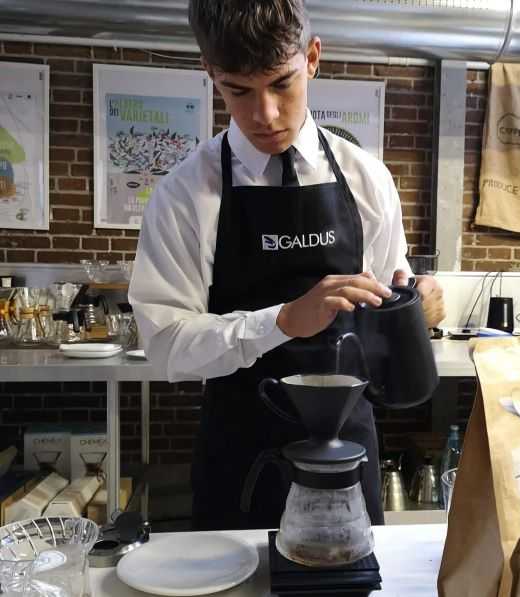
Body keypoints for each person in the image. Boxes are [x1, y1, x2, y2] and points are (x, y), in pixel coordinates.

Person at [129, 0, 445, 531]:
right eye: (238, 90)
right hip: (239, 454)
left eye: (281, 83)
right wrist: (279, 321)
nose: (265, 115)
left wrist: (416, 308)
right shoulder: (185, 194)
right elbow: (165, 350)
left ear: (313, 58)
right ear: (211, 74)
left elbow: (386, 307)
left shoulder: (368, 180)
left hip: (350, 451)